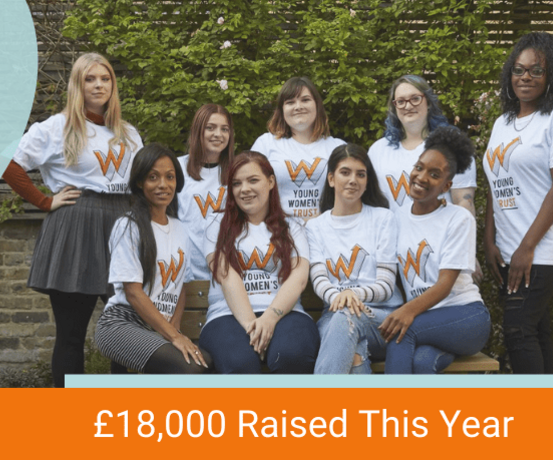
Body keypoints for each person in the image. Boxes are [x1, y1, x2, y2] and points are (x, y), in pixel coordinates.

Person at [3, 53, 142, 387]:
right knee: (71, 333)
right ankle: (70, 418)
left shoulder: (129, 134)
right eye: (89, 79)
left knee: (128, 328)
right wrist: (44, 201)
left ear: (113, 84)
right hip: (76, 227)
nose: (98, 85)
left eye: (105, 78)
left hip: (122, 226)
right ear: (78, 85)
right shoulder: (58, 127)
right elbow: (9, 164)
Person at [483, 32, 553, 374]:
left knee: (518, 329)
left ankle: (533, 414)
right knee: (535, 329)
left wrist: (527, 247)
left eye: (536, 70)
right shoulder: (503, 123)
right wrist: (490, 238)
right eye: (519, 69)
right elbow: (498, 183)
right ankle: (551, 416)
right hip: (511, 245)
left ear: (551, 74)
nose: (525, 77)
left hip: (546, 243)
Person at [380, 127, 490, 374]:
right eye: (419, 168)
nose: (421, 177)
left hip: (466, 317)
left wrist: (406, 311)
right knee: (422, 362)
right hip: (430, 323)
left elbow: (445, 284)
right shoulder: (397, 218)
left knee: (400, 332)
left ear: (446, 186)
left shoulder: (458, 218)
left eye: (434, 174)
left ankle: (391, 411)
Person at [95, 144, 211, 374]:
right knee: (190, 369)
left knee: (205, 363)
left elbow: (180, 287)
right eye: (153, 177)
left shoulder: (180, 229)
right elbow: (133, 292)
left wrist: (174, 330)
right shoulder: (128, 226)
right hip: (122, 324)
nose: (163, 185)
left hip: (159, 327)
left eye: (170, 177)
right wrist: (173, 337)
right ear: (140, 182)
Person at [199, 151, 319, 373]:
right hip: (227, 315)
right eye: (236, 183)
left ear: (271, 181)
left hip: (286, 314)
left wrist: (269, 319)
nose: (244, 189)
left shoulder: (292, 226)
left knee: (290, 356)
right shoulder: (216, 224)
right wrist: (252, 327)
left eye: (253, 180)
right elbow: (226, 276)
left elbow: (299, 278)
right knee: (240, 363)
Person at [368, 75, 482, 282]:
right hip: (391, 251)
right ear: (394, 107)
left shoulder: (450, 146)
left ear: (428, 102)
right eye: (400, 101)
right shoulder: (378, 151)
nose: (407, 106)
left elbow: (464, 202)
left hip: (439, 248)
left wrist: (467, 253)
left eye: (415, 99)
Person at [307, 144, 403, 374]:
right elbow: (319, 280)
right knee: (355, 354)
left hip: (382, 320)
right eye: (345, 172)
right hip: (333, 320)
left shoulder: (383, 219)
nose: (353, 180)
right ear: (331, 179)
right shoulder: (316, 227)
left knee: (346, 318)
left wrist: (353, 295)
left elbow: (387, 285)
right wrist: (342, 298)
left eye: (361, 174)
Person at [251, 77, 345, 220]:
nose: (298, 106)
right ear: (282, 109)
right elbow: (251, 190)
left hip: (326, 235)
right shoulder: (265, 144)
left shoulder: (337, 147)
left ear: (317, 105)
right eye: (290, 102)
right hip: (279, 234)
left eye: (305, 100)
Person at [177, 104, 235, 281]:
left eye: (224, 129)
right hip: (186, 273)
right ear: (198, 131)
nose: (218, 134)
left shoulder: (239, 170)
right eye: (210, 128)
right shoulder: (177, 168)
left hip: (228, 272)